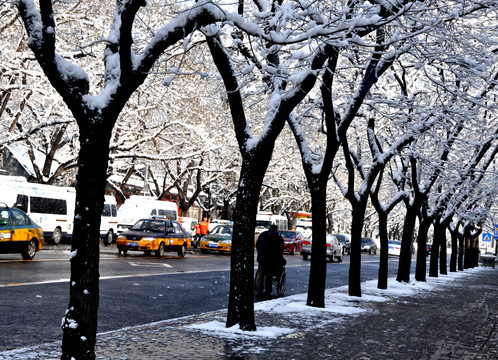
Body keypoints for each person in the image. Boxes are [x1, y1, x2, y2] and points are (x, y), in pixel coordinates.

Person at [255, 224, 286, 298]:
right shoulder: (278, 236)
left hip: (262, 256)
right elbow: (281, 248)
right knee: (269, 273)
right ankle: (268, 290)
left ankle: (258, 288)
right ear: (276, 229)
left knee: (260, 272)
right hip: (272, 258)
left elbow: (257, 245)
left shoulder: (263, 234)